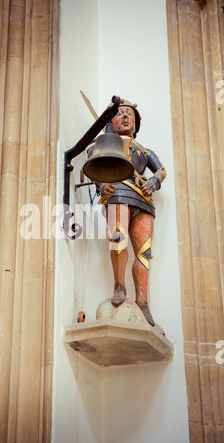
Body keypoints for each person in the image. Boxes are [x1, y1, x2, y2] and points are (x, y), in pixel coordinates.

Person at [92, 99, 166, 327]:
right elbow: (94, 167)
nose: (125, 117)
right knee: (118, 239)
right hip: (117, 192)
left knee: (144, 252)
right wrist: (103, 186)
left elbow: (161, 170)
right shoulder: (103, 144)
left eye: (129, 115)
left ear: (135, 123)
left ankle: (143, 301)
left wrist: (153, 181)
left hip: (143, 199)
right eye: (120, 113)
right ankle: (119, 285)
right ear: (111, 121)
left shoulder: (144, 150)